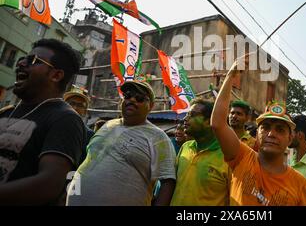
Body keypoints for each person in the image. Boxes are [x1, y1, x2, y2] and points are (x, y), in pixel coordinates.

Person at [210, 57, 306, 206]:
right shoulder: (242, 157)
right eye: (266, 127)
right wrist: (230, 76)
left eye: (280, 130)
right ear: (257, 133)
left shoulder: (301, 184)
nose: (271, 133)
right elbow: (218, 124)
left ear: (290, 139)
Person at [0, 39, 86, 205]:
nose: (21, 63)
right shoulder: (6, 112)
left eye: (33, 61)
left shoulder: (65, 119)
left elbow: (49, 185)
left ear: (56, 75)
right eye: (23, 58)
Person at [66, 80, 176, 206]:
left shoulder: (158, 137)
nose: (132, 100)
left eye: (139, 98)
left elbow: (168, 181)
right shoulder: (107, 125)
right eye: (128, 96)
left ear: (150, 106)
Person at [170, 98, 231, 206]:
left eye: (192, 115)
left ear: (209, 121)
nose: (185, 118)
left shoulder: (228, 156)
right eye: (187, 114)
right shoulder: (186, 147)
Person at [63, 86, 95, 160]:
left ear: (85, 111)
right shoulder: (52, 126)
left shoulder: (89, 135)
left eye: (80, 105)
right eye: (72, 103)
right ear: (63, 105)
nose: (75, 108)